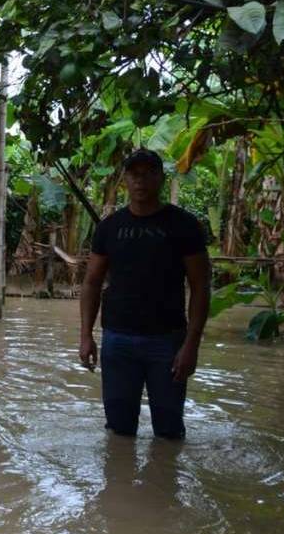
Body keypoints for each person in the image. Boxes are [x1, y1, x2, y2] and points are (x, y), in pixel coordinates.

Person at [79, 148, 211, 440]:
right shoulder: (109, 228)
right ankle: (120, 485)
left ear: (160, 178)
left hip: (167, 341)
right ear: (125, 179)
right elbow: (91, 283)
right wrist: (86, 335)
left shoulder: (184, 226)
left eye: (148, 174)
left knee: (169, 431)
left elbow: (201, 287)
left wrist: (192, 345)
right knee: (119, 431)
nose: (141, 181)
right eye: (134, 174)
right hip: (117, 339)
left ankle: (163, 483)